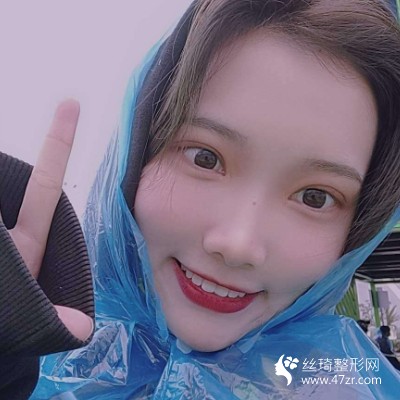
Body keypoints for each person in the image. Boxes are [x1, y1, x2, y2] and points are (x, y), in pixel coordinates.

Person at [1, 0, 400, 398]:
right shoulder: (27, 357)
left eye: (315, 197)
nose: (237, 244)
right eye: (205, 158)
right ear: (138, 155)